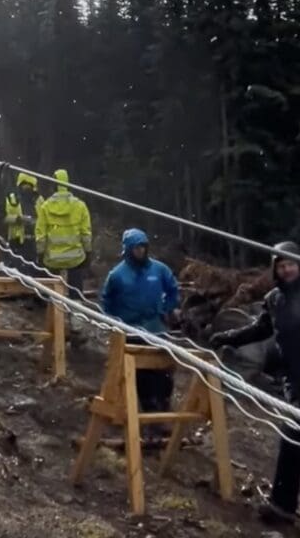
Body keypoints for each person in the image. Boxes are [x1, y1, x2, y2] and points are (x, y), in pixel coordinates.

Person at [209, 242, 300, 532]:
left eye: (290, 264)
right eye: (280, 266)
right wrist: (228, 336)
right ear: (275, 270)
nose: (286, 270)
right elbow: (261, 328)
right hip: (292, 379)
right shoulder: (273, 299)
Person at [101, 229, 180, 431]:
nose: (141, 251)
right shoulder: (117, 275)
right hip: (131, 332)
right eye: (136, 247)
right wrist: (114, 323)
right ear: (128, 249)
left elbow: (173, 289)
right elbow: (106, 301)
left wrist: (167, 309)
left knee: (164, 372)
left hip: (157, 329)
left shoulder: (159, 270)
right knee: (142, 376)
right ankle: (148, 416)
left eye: (143, 246)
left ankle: (163, 412)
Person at [35, 169, 92, 298]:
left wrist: (40, 254)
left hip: (52, 258)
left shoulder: (45, 207)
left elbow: (41, 235)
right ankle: (76, 314)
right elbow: (86, 234)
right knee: (76, 293)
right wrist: (88, 253)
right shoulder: (80, 206)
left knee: (51, 292)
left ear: (53, 185)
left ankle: (52, 311)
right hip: (75, 258)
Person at [5, 172, 44, 273]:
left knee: (34, 270)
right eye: (24, 185)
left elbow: (44, 218)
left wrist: (35, 222)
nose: (26, 188)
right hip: (17, 240)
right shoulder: (12, 198)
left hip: (35, 240)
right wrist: (19, 219)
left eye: (29, 186)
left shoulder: (39, 199)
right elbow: (4, 218)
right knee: (17, 270)